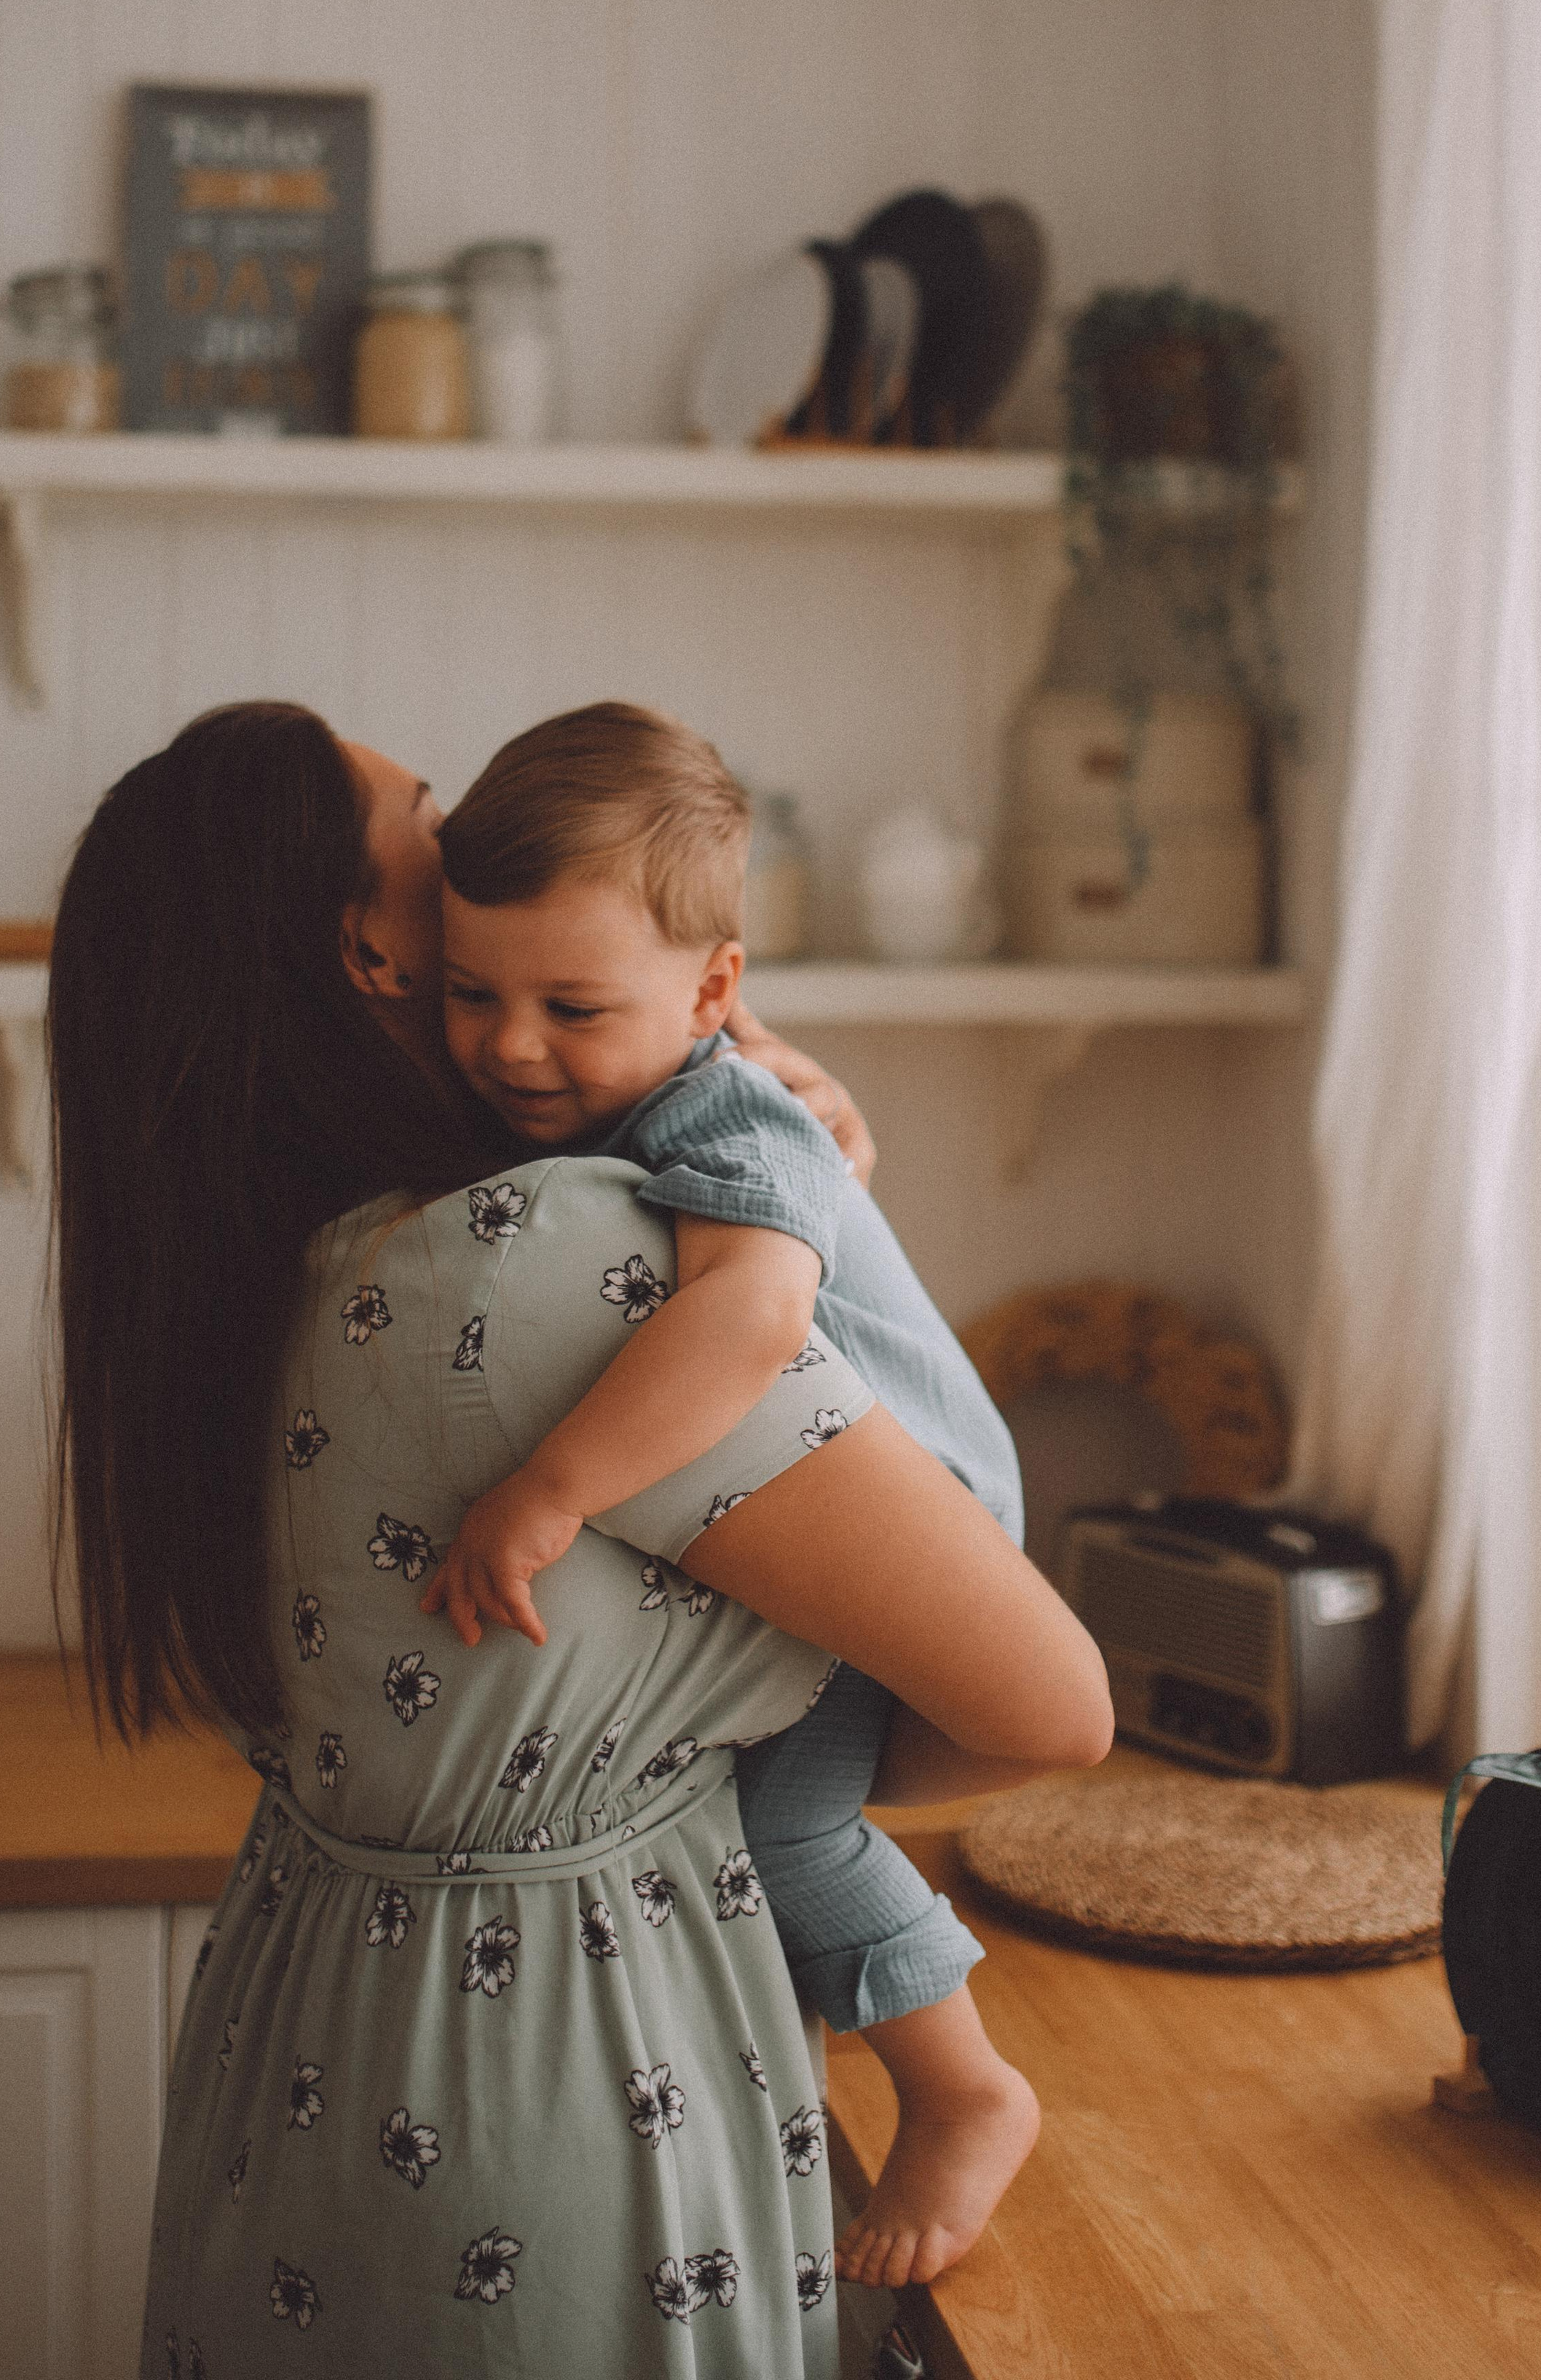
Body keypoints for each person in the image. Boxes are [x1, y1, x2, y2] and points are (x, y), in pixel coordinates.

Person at [50, 700, 1111, 2377]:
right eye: (426, 830)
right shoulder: (547, 1267)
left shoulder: (252, 1261)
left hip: (297, 2050)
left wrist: (759, 1137)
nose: (459, 832)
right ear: (370, 950)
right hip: (550, 2100)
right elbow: (1049, 1705)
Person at [425, 701, 1041, 2286]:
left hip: (921, 1510)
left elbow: (752, 1315)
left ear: (709, 992)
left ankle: (966, 2089)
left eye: (569, 1004)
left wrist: (549, 1487)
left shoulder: (723, 1101)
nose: (509, 1043)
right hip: (803, 1506)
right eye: (468, 993)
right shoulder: (594, 1089)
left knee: (783, 1818)